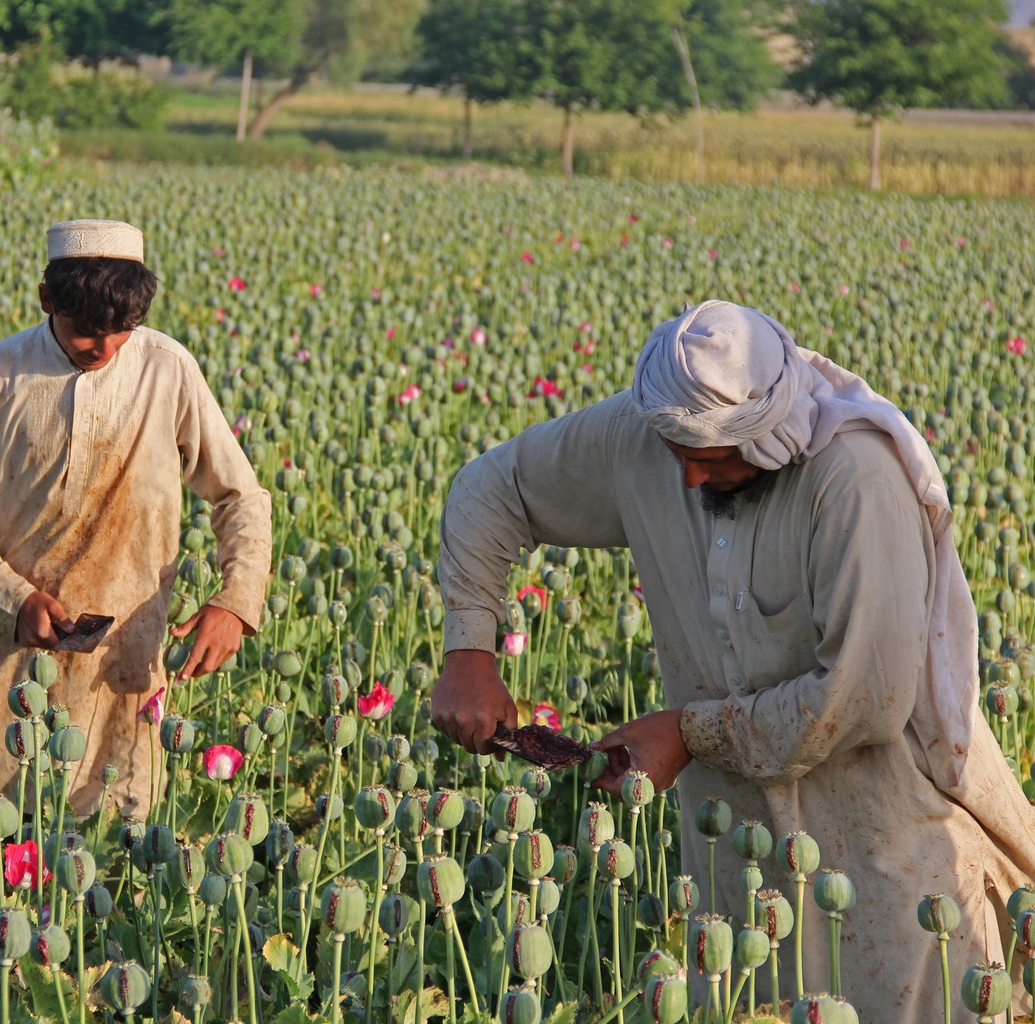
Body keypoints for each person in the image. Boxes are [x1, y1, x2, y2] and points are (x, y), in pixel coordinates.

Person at [432, 300, 1035, 1020]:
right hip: (735, 863)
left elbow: (862, 702)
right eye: (676, 455)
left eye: (712, 459)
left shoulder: (854, 480)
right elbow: (489, 488)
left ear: (771, 434)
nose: (687, 479)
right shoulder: (649, 435)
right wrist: (469, 648)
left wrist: (689, 734)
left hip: (888, 853)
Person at [0, 219, 272, 819]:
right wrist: (13, 599)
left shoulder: (167, 369)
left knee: (114, 849)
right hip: (15, 659)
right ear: (46, 300)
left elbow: (241, 495)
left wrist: (236, 600)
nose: (105, 349)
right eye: (87, 331)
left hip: (126, 665)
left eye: (122, 332)